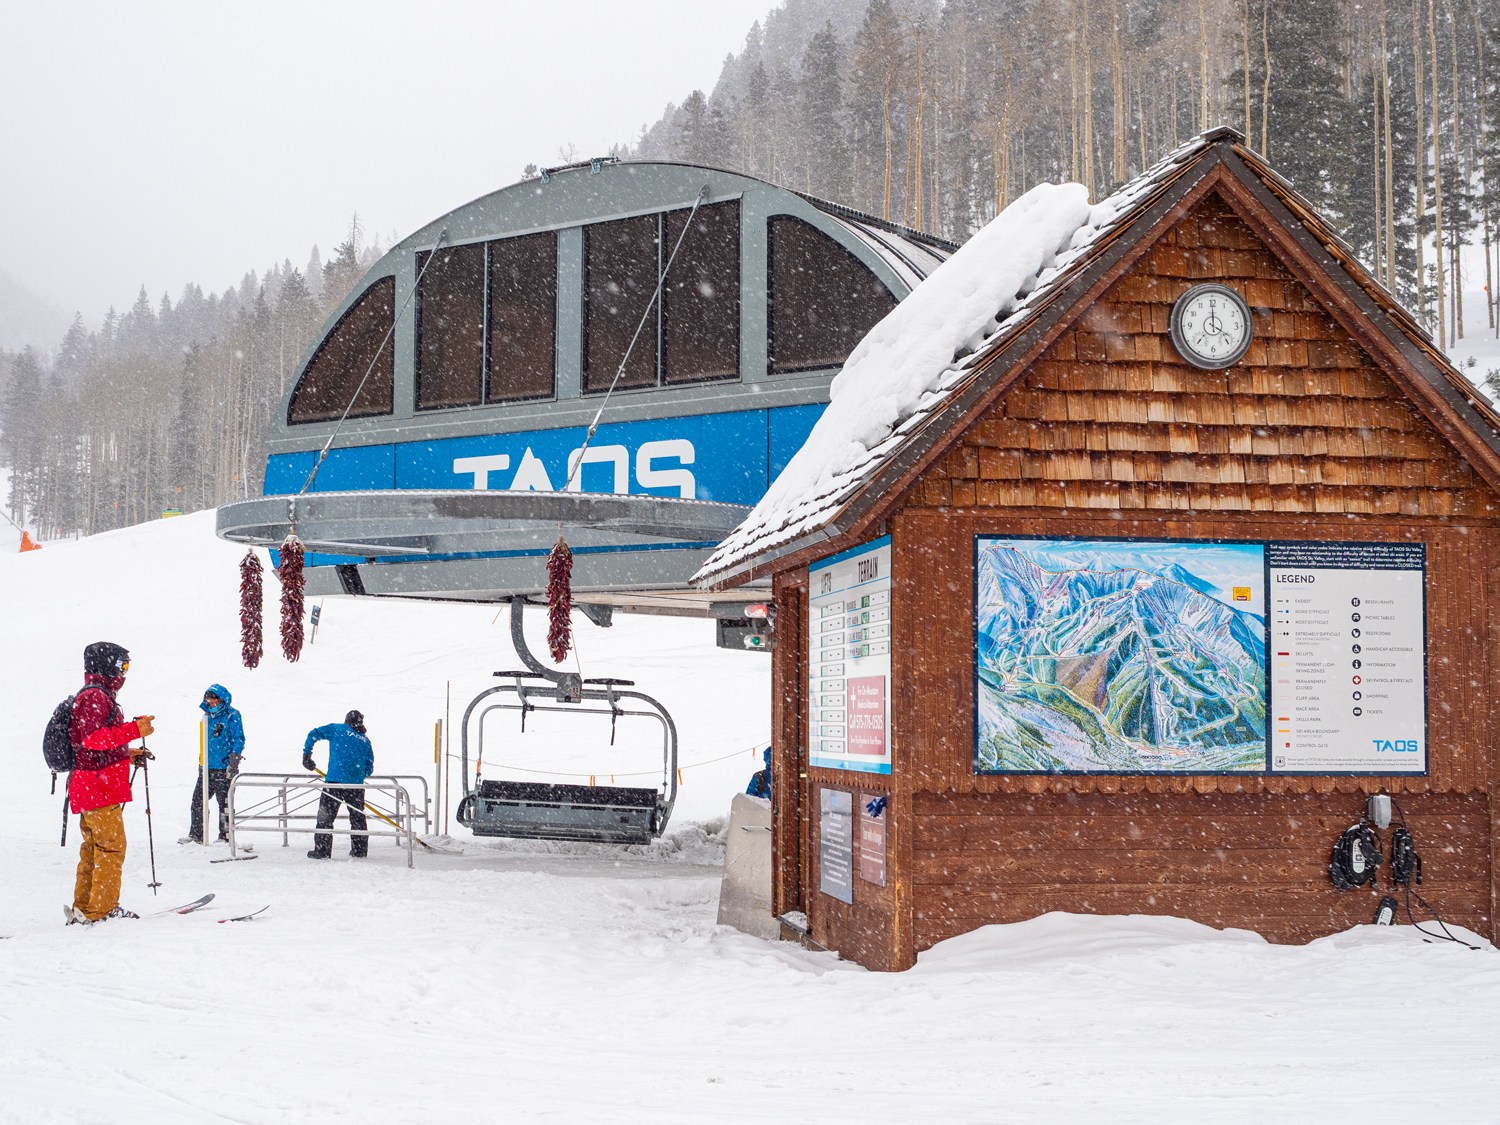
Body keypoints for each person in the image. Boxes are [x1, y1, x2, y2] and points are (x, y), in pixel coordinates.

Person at [66, 641, 155, 925]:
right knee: (111, 848)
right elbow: (94, 739)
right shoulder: (95, 696)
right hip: (97, 787)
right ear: (106, 666)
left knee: (94, 848)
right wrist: (134, 730)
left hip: (92, 784)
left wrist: (127, 754)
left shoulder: (96, 694)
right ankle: (102, 910)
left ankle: (84, 906)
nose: (124, 674)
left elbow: (91, 745)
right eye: (121, 666)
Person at [302, 710, 374, 859]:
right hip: (356, 787)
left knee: (325, 818)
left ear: (347, 720)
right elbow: (369, 768)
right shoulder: (365, 741)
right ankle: (359, 850)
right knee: (357, 818)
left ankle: (322, 851)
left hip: (334, 782)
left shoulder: (337, 729)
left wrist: (307, 755)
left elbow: (313, 734)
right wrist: (356, 773)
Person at [181, 684, 245, 844]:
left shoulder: (232, 715)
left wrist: (234, 758)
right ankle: (197, 835)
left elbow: (239, 738)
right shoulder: (206, 717)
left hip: (224, 768)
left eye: (212, 699)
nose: (209, 702)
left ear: (221, 699)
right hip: (206, 768)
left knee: (224, 803)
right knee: (198, 801)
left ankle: (225, 837)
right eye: (207, 699)